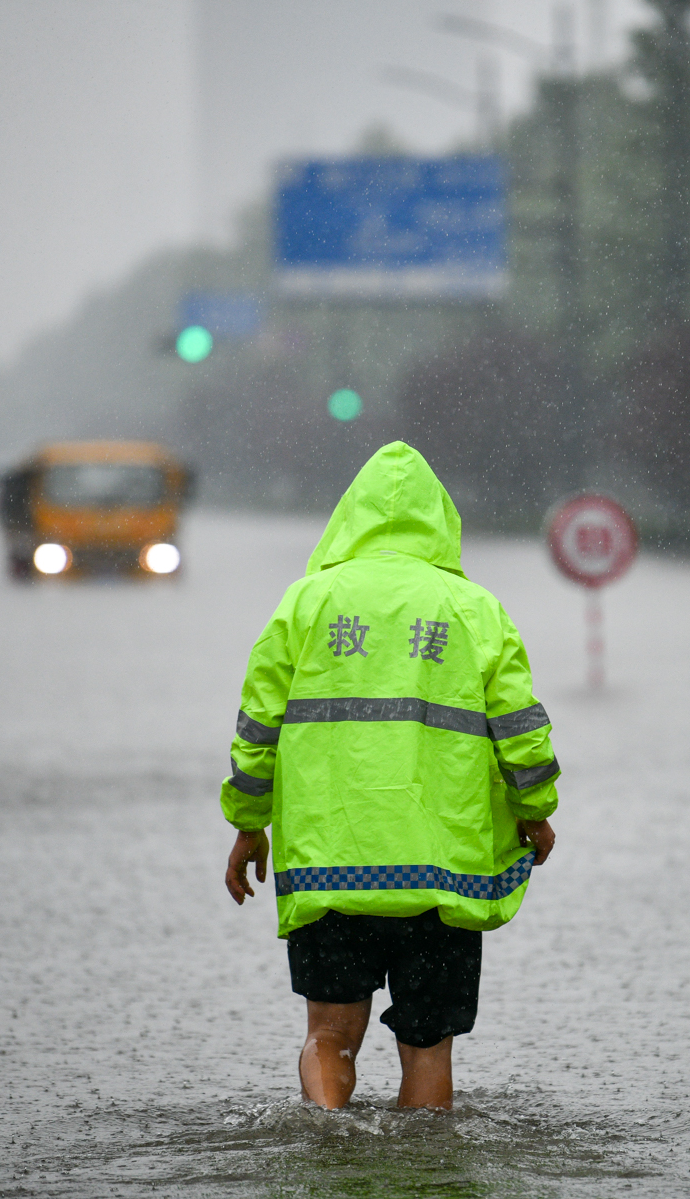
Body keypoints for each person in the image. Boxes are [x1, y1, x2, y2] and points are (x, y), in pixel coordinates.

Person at [221, 442, 560, 1111]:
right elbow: (523, 733)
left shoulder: (306, 605)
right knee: (429, 1047)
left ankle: (330, 1140)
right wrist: (535, 809)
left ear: (350, 516)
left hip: (329, 865)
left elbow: (257, 728)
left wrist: (247, 824)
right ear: (441, 521)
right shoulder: (474, 610)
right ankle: (425, 1171)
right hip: (442, 873)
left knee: (329, 1035)